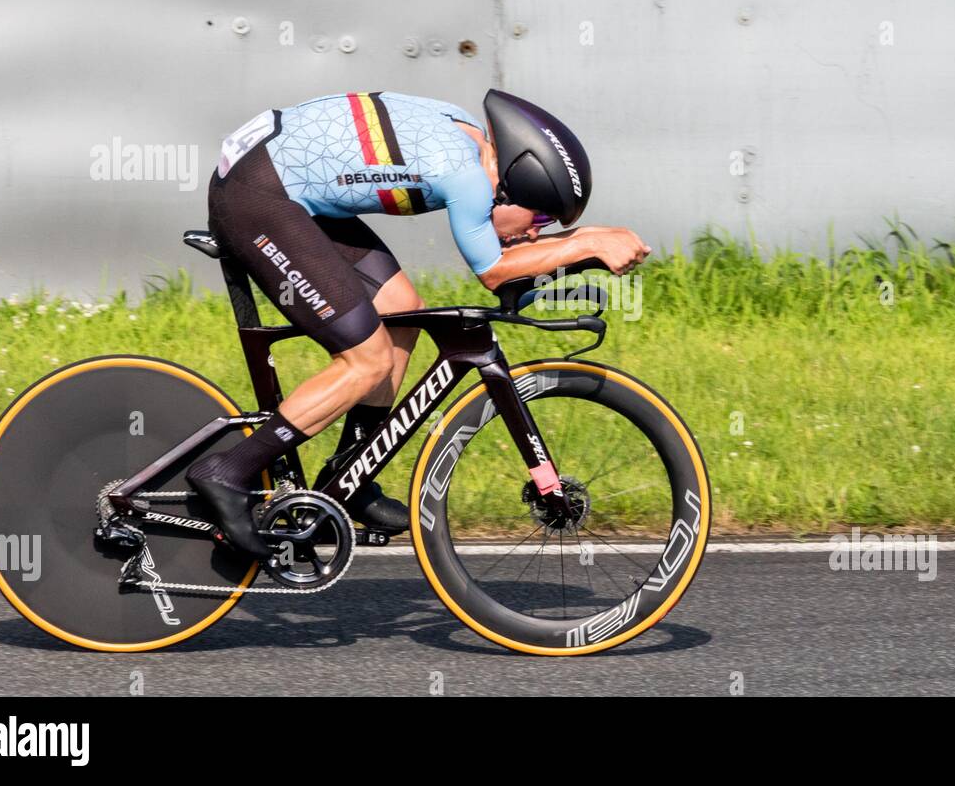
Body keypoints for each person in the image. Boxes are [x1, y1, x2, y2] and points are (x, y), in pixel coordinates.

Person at [188, 89, 651, 558]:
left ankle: (351, 475)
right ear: (510, 184)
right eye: (542, 217)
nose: (537, 233)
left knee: (401, 313)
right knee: (364, 363)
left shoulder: (465, 139)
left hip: (281, 187)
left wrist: (577, 246)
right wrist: (586, 243)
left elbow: (513, 269)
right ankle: (227, 472)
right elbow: (495, 273)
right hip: (260, 197)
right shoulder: (465, 175)